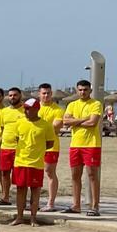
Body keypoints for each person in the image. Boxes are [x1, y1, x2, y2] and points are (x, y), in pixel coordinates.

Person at [62, 80, 104, 216]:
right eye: (80, 89)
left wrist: (75, 122)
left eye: (85, 89)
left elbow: (92, 123)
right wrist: (82, 119)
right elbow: (65, 121)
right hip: (75, 144)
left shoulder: (96, 104)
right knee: (75, 175)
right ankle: (76, 205)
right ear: (76, 90)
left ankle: (95, 205)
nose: (82, 92)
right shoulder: (72, 105)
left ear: (90, 90)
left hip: (91, 144)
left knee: (92, 175)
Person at [11, 98, 55, 226]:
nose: (25, 111)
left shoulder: (46, 125)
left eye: (28, 108)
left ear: (36, 109)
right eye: (24, 108)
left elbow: (50, 143)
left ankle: (33, 218)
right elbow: (16, 139)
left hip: (36, 163)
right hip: (20, 162)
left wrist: (38, 150)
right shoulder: (19, 123)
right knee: (20, 190)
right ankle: (19, 217)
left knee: (35, 191)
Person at [37, 83, 66, 211]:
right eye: (44, 93)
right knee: (34, 173)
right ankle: (34, 202)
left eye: (48, 93)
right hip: (34, 146)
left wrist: (37, 128)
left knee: (49, 172)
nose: (46, 95)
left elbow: (55, 127)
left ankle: (51, 202)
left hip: (51, 146)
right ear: (39, 94)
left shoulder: (58, 109)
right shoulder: (33, 107)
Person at [0, 87, 24, 206]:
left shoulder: (25, 110)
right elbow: (2, 129)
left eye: (15, 95)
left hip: (20, 148)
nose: (13, 97)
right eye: (10, 95)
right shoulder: (4, 112)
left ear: (20, 95)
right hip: (5, 147)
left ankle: (21, 200)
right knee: (4, 173)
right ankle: (5, 197)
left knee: (19, 175)